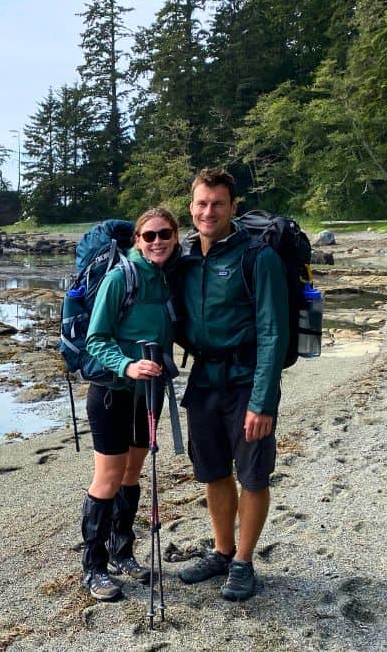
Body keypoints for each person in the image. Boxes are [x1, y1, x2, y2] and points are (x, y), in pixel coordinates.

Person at [174, 168, 289, 601]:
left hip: (247, 382)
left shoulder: (258, 258)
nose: (209, 211)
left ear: (232, 207)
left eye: (217, 204)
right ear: (191, 207)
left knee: (254, 476)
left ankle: (243, 562)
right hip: (204, 380)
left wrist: (262, 401)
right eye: (201, 204)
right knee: (213, 471)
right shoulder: (186, 260)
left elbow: (272, 332)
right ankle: (222, 552)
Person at [79, 207, 180, 601]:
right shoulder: (122, 278)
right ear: (137, 240)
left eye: (165, 234)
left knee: (132, 474)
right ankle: (93, 568)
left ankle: (123, 553)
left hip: (147, 394)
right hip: (111, 392)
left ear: (175, 237)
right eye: (149, 236)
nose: (157, 242)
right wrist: (127, 364)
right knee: (107, 478)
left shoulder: (165, 280)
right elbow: (96, 339)